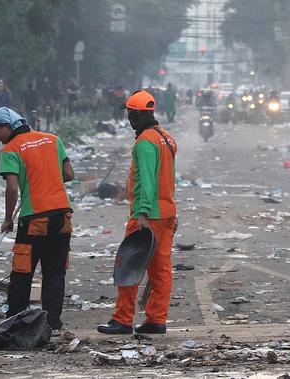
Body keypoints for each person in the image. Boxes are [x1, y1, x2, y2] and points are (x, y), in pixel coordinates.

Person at [98, 90, 177, 335]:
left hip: (147, 216)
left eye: (132, 114)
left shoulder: (145, 142)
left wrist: (142, 213)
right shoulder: (166, 138)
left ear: (141, 114)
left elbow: (149, 180)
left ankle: (122, 320)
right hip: (166, 212)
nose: (129, 119)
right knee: (160, 269)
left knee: (129, 264)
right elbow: (168, 179)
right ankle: (156, 320)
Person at [0, 106, 75, 331]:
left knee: (22, 272)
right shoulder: (53, 140)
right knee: (55, 271)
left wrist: (8, 219)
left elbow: (12, 188)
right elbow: (69, 175)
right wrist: (48, 181)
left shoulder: (11, 150)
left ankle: (15, 321)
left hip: (34, 218)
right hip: (62, 215)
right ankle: (52, 323)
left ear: (8, 126)